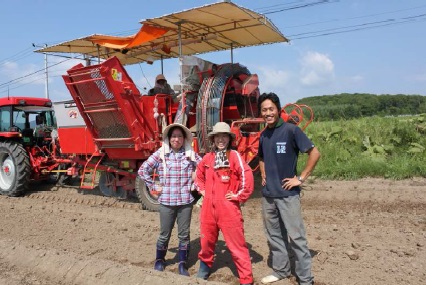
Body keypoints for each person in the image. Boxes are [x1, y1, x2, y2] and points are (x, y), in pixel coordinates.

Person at [257, 93, 321, 285]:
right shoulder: (263, 134)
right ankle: (281, 271)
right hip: (269, 195)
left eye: (271, 109)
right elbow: (261, 157)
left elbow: (314, 153)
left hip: (287, 195)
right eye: (264, 110)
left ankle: (305, 279)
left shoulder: (291, 131)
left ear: (278, 110)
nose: (268, 113)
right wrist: (263, 174)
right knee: (274, 236)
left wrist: (300, 178)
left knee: (297, 237)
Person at [195, 122, 255, 285]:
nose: (221, 139)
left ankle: (246, 278)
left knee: (237, 246)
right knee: (206, 241)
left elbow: (247, 178)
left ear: (229, 139)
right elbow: (198, 176)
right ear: (213, 139)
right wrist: (202, 190)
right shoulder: (208, 158)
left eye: (224, 136)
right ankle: (204, 268)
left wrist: (238, 196)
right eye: (218, 137)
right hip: (208, 208)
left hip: (228, 208)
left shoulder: (234, 156)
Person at [138, 123, 201, 276]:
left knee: (184, 235)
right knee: (164, 233)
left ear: (184, 139)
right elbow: (142, 170)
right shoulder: (161, 154)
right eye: (174, 136)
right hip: (166, 202)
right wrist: (153, 185)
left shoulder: (190, 154)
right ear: (169, 138)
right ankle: (160, 260)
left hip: (185, 202)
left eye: (180, 136)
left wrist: (196, 181)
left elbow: (204, 168)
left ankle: (182, 264)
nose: (177, 139)